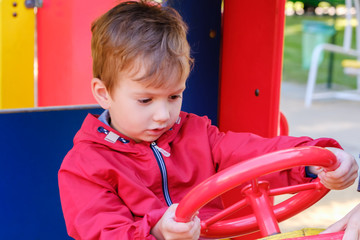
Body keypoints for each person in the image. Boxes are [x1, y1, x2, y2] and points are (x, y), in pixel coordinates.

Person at [58, 1, 358, 239]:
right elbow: (102, 231)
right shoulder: (86, 166)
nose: (163, 116)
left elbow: (251, 152)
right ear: (103, 93)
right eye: (145, 100)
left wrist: (313, 159)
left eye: (174, 97)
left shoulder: (195, 133)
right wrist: (156, 229)